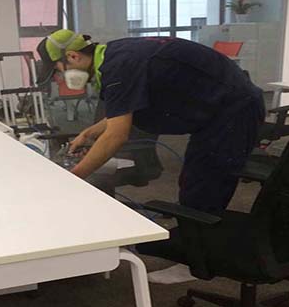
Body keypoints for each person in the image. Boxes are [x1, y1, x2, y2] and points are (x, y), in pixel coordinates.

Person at [37, 30, 265, 212]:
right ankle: (194, 229)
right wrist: (89, 134)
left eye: (58, 71)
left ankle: (201, 246)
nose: (60, 78)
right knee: (194, 179)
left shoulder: (117, 69)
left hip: (234, 110)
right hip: (219, 108)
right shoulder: (114, 55)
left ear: (73, 56)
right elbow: (123, 109)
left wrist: (74, 177)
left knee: (206, 185)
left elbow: (116, 135)